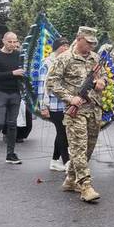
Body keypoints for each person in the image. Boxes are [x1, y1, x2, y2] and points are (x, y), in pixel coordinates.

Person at [46, 26, 106, 203]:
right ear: (79, 38)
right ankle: (85, 186)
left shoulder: (95, 59)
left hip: (94, 109)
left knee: (88, 148)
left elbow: (103, 77)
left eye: (93, 43)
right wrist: (69, 98)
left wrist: (101, 82)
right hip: (76, 112)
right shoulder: (64, 58)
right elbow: (52, 82)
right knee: (78, 148)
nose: (91, 46)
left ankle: (71, 179)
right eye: (88, 42)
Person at [0, 31, 25, 165]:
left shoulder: (19, 55)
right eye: (10, 41)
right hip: (0, 92)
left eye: (15, 41)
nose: (13, 44)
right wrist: (13, 73)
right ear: (3, 41)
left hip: (15, 92)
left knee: (12, 124)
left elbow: (23, 70)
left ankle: (10, 154)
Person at [38, 37, 70, 172]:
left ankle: (54, 161)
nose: (67, 48)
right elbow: (42, 86)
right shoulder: (47, 63)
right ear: (58, 47)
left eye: (68, 46)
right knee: (63, 132)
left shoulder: (67, 61)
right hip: (53, 104)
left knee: (62, 132)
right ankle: (67, 162)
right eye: (64, 46)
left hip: (66, 103)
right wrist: (43, 106)